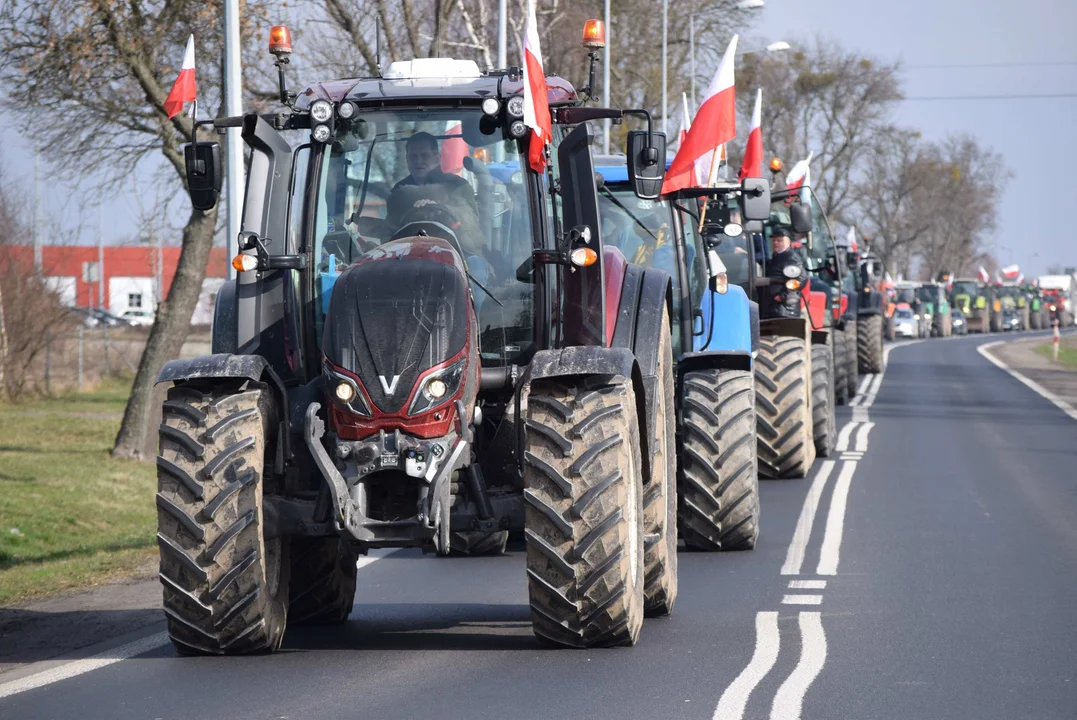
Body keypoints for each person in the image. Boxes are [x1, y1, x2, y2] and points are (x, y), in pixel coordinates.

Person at [393, 131, 472, 192]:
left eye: (424, 156)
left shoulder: (457, 186)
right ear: (407, 159)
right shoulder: (399, 189)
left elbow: (467, 212)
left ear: (437, 158)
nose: (418, 161)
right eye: (413, 156)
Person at [761, 225, 808, 319]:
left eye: (779, 240)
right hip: (774, 309)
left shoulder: (791, 258)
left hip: (784, 310)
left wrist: (784, 296)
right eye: (774, 240)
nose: (775, 243)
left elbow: (801, 278)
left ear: (788, 242)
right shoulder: (777, 257)